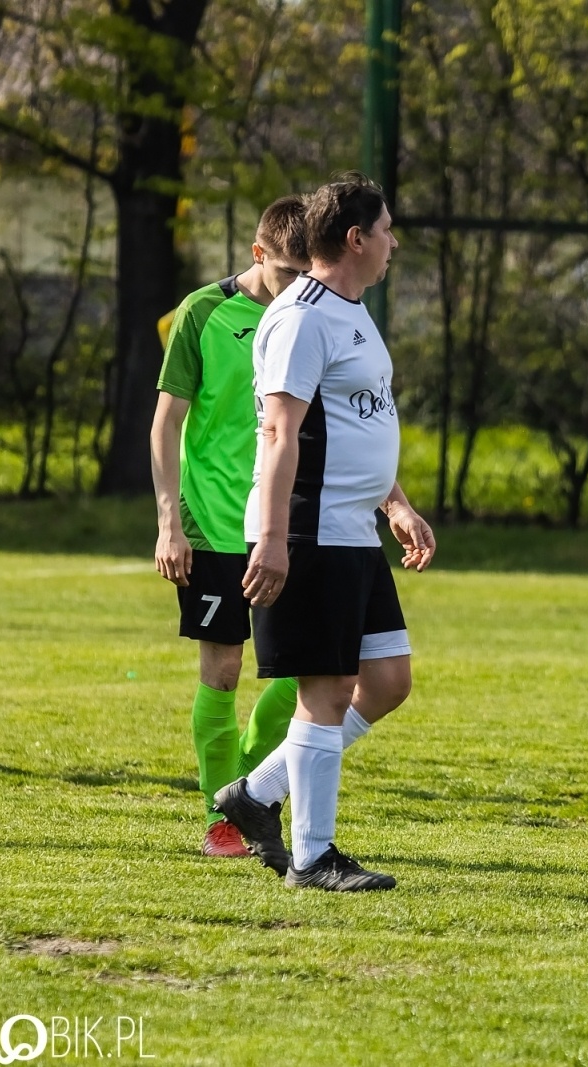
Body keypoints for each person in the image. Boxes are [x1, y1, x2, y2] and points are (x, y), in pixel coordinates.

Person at [211, 172, 436, 893]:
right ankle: (312, 857)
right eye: (388, 229)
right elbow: (280, 428)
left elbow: (357, 418)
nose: (395, 242)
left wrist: (393, 501)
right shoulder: (301, 315)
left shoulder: (352, 309)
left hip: (353, 532)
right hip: (309, 530)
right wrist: (273, 538)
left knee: (388, 680)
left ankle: (256, 792)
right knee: (330, 688)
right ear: (355, 238)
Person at [149, 195, 310, 858]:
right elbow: (165, 423)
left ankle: (242, 788)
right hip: (214, 524)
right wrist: (168, 521)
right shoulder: (203, 312)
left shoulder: (313, 318)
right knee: (221, 672)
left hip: (287, 522)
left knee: (305, 674)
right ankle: (224, 819)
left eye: (308, 276)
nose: (296, 289)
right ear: (257, 254)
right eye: (285, 273)